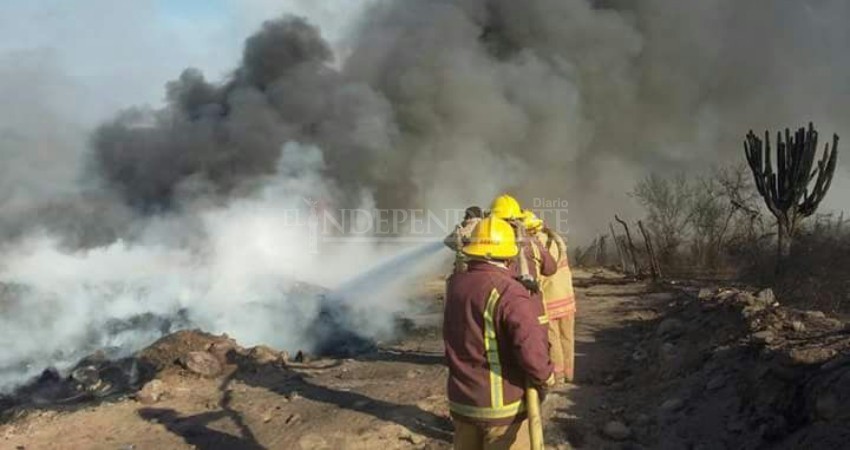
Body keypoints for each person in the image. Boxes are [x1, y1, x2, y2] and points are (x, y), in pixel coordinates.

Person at [444, 216, 554, 450]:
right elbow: (530, 347)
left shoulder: (455, 285)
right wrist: (546, 376)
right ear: (507, 254)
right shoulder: (508, 291)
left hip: (463, 404)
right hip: (502, 409)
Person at [534, 221, 577, 384]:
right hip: (567, 297)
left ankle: (558, 376)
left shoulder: (534, 245)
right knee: (567, 337)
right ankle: (569, 374)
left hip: (550, 300)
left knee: (553, 339)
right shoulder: (556, 240)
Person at [444, 206, 484, 273]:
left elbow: (447, 241)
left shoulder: (463, 228)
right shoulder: (484, 224)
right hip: (478, 264)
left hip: (467, 264)